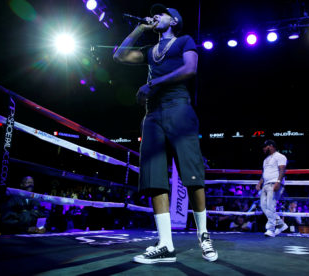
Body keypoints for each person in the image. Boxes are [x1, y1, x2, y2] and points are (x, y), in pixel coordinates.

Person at [113, 3, 217, 264]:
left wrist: (153, 83)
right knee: (154, 177)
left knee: (191, 172)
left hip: (178, 106)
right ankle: (166, 244)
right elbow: (119, 56)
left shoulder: (184, 40)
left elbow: (190, 69)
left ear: (174, 20)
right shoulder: (150, 51)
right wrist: (139, 28)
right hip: (152, 114)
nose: (156, 15)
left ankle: (204, 236)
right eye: (154, 13)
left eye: (162, 13)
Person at [256, 140, 288, 237]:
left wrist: (278, 182)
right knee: (263, 206)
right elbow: (264, 173)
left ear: (270, 146)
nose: (263, 149)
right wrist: (259, 183)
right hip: (266, 184)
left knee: (270, 206)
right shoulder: (265, 160)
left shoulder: (280, 156)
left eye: (265, 147)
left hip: (274, 183)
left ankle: (271, 229)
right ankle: (281, 224)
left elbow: (282, 170)